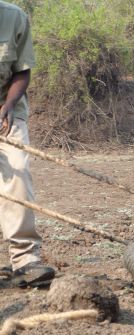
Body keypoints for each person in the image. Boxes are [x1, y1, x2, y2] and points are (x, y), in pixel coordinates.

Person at [0, 1, 54, 287]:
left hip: (6, 111)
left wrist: (8, 104)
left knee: (17, 171)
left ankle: (24, 261)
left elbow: (22, 71)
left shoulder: (15, 17)